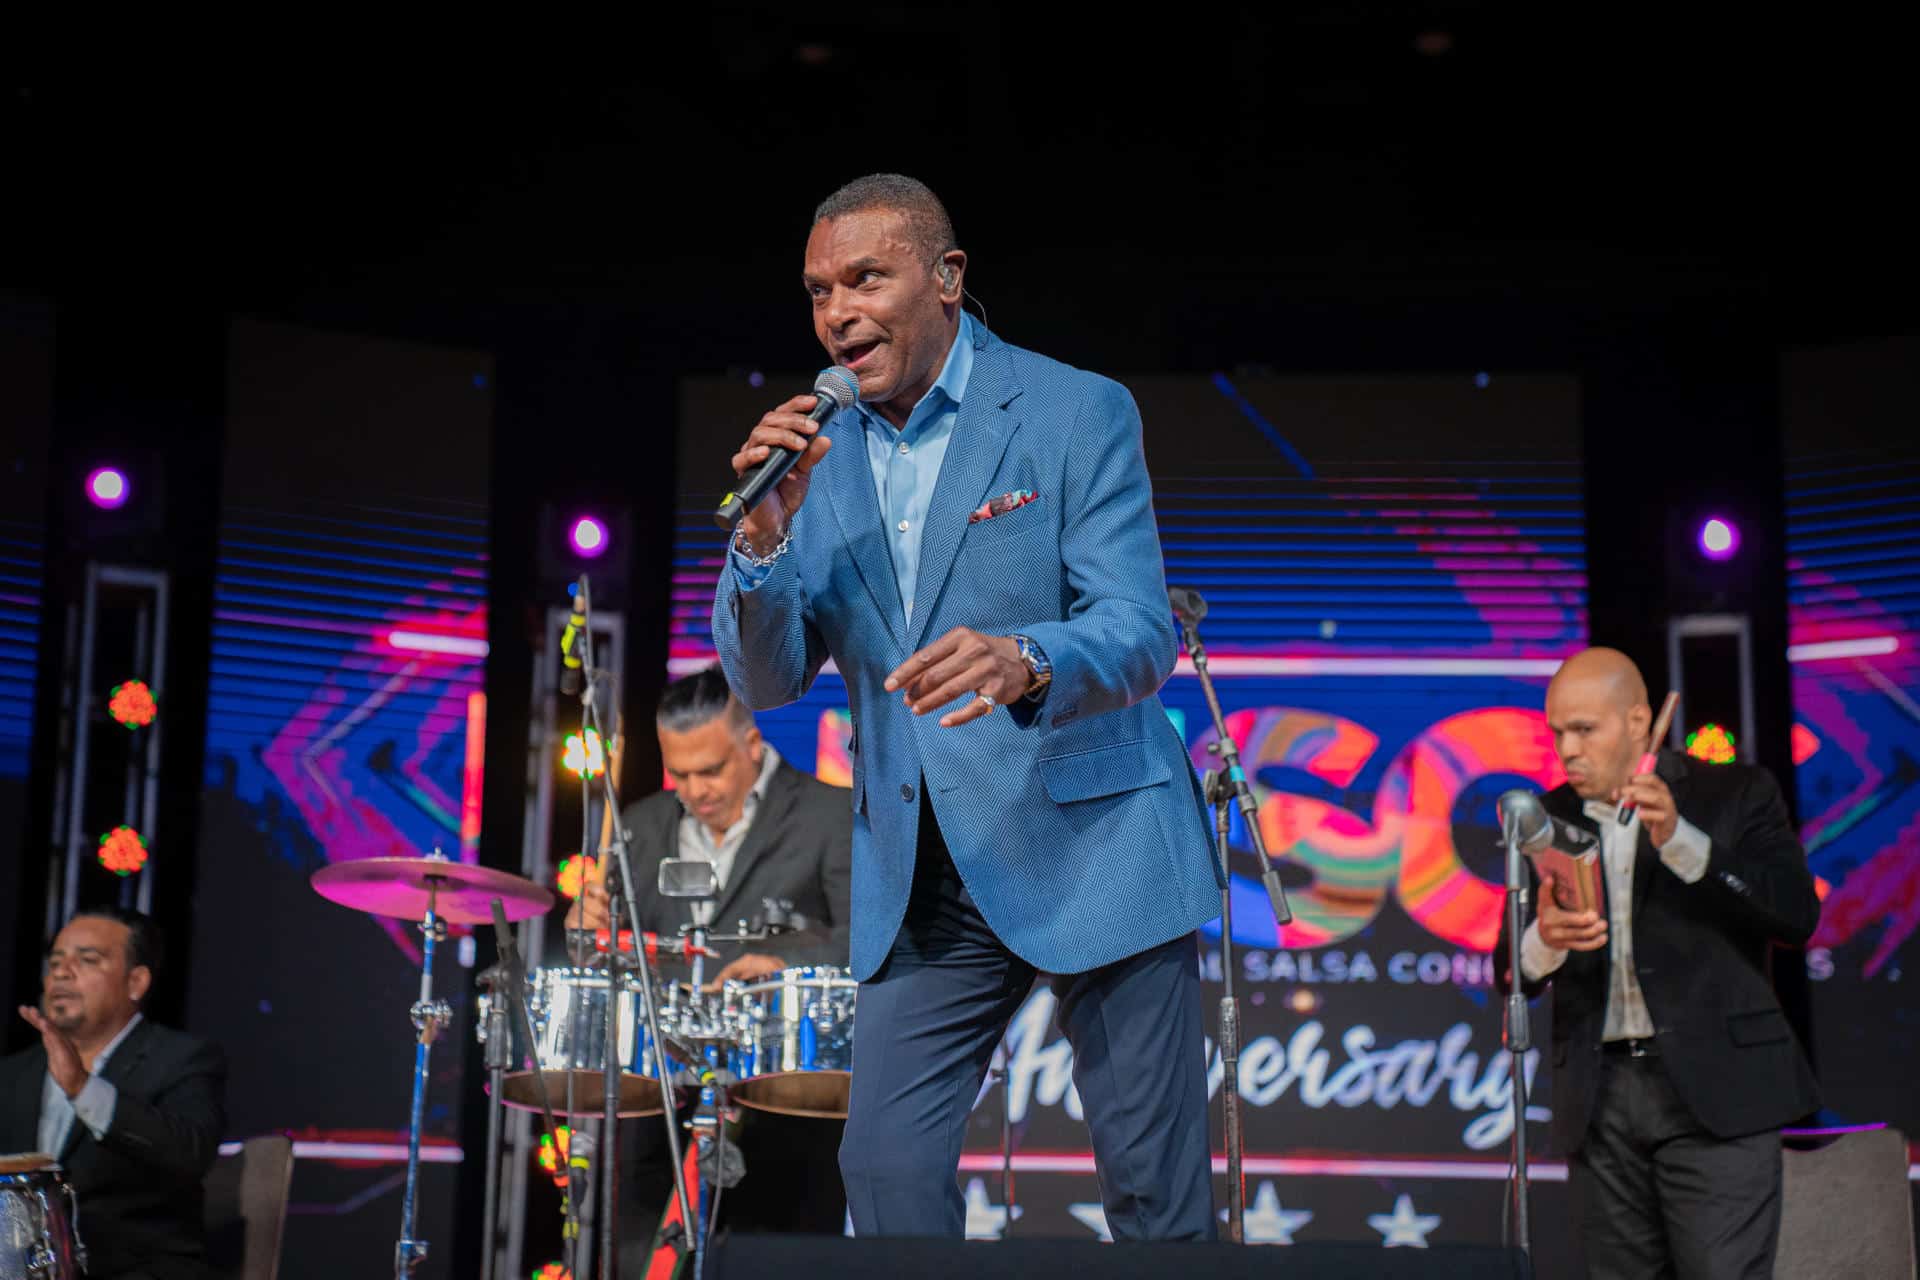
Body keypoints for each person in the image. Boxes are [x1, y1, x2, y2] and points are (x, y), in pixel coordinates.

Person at [712, 173, 1223, 1240]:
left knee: (1153, 1199)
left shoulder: (1075, 409)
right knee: (885, 1171)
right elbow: (765, 680)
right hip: (927, 871)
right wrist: (761, 540)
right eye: (817, 291)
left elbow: (1138, 629)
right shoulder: (817, 452)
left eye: (865, 277)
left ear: (946, 280)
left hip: (1097, 839)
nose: (838, 311)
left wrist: (1028, 655)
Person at [1495, 647, 1821, 1279]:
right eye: (1557, 732)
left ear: (1639, 721)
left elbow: (1794, 915)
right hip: (1599, 1096)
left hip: (1716, 1088)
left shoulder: (1734, 793)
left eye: (1584, 729)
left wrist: (1683, 841)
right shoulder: (1548, 815)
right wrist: (1546, 938)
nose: (1567, 749)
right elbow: (1510, 973)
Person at [567, 666, 853, 1241]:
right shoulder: (641, 827)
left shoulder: (830, 814)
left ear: (752, 742)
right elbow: (604, 959)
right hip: (657, 1109)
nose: (696, 790)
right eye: (680, 774)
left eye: (712, 770)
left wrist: (785, 970)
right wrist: (585, 930)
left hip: (785, 1105)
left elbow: (866, 940)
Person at [2, 907, 227, 1279]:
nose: (61, 971)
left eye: (87, 960)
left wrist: (83, 1088)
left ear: (135, 982)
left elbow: (191, 1151)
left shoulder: (183, 1059)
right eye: (55, 961)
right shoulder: (12, 1072)